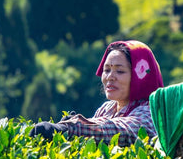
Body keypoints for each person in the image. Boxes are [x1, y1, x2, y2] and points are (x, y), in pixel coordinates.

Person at [29, 40, 164, 146]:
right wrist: (68, 125)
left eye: (120, 71)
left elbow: (119, 131)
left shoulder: (150, 111)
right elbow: (96, 127)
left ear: (140, 78)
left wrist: (69, 129)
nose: (110, 77)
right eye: (106, 70)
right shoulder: (107, 108)